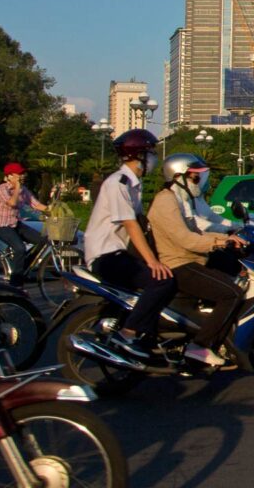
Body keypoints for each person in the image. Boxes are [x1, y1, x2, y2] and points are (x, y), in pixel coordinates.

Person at [83, 129, 177, 359]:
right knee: (162, 281)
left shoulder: (134, 184)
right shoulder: (118, 183)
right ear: (138, 156)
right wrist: (153, 261)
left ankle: (148, 337)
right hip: (106, 257)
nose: (155, 158)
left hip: (119, 254)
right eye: (151, 153)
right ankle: (128, 332)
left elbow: (143, 224)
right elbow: (131, 225)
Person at [148, 154, 248, 366]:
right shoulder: (166, 201)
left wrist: (227, 238)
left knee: (232, 280)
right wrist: (221, 242)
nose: (198, 183)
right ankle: (200, 346)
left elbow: (198, 230)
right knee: (231, 294)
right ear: (178, 177)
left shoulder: (178, 199)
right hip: (179, 263)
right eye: (194, 178)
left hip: (191, 259)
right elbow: (186, 240)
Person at [0, 163, 48, 285]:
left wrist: (54, 210)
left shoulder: (23, 190)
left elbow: (36, 204)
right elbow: (12, 203)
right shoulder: (2, 188)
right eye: (19, 173)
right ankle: (16, 282)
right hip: (1, 225)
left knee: (43, 240)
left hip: (15, 224)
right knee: (20, 248)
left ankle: (24, 266)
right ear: (10, 176)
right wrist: (16, 187)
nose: (22, 176)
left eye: (23, 173)